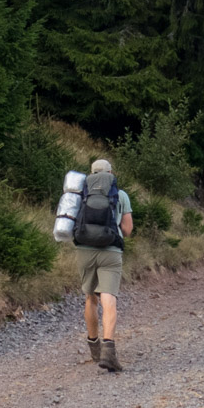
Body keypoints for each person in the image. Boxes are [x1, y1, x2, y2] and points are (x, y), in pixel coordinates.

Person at [73, 158, 134, 372]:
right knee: (108, 299)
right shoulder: (121, 195)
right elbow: (127, 230)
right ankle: (109, 352)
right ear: (110, 172)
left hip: (84, 250)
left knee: (90, 298)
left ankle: (94, 348)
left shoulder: (80, 193)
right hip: (111, 251)